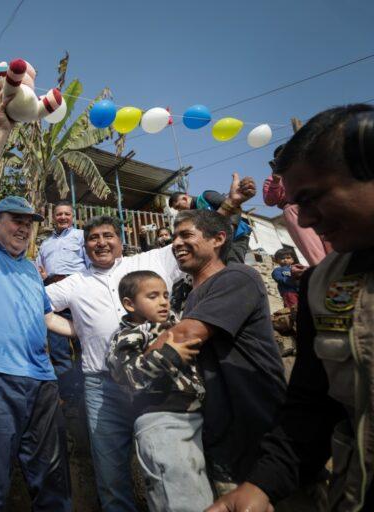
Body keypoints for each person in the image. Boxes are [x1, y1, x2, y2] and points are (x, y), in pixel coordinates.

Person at [207, 104, 374, 512]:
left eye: (314, 199)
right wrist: (261, 487)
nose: (308, 220)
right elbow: (312, 407)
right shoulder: (324, 282)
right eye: (296, 204)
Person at [0, 91, 72, 511]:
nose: (24, 228)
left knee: (54, 484)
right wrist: (4, 128)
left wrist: (91, 329)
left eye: (29, 223)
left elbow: (48, 319)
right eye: (15, 221)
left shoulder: (30, 269)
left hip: (40, 380)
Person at [45, 215, 185, 511]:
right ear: (85, 248)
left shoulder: (151, 261)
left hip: (156, 382)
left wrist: (230, 206)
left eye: (108, 235)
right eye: (93, 238)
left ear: (120, 240)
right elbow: (36, 307)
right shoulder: (73, 283)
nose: (101, 242)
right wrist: (75, 329)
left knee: (169, 465)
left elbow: (194, 244)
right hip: (101, 386)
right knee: (110, 476)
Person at [150, 209, 286, 494]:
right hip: (221, 438)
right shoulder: (188, 295)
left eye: (186, 235)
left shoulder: (238, 277)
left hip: (259, 435)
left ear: (219, 239)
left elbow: (187, 335)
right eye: (174, 237)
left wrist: (135, 362)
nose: (176, 243)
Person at [105, 270, 210, 512]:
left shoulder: (173, 324)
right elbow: (127, 376)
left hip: (194, 418)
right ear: (129, 304)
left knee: (200, 495)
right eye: (152, 296)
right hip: (162, 422)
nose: (163, 301)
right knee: (178, 500)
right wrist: (169, 355)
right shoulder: (127, 335)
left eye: (165, 295)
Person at [35, 200, 88, 403]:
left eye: (67, 214)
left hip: (77, 290)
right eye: (59, 214)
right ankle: (68, 395)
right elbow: (40, 270)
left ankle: (86, 390)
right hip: (53, 293)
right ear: (54, 217)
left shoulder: (81, 237)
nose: (63, 217)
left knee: (83, 342)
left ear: (72, 217)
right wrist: (43, 275)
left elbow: (90, 264)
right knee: (58, 348)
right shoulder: (45, 244)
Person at [263, 144, 331, 266]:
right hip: (294, 210)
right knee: (312, 247)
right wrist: (276, 182)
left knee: (332, 242)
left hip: (317, 204)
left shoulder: (309, 168)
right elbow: (270, 201)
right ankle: (324, 273)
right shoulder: (273, 179)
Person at [169, 174, 257, 263]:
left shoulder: (206, 196)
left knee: (233, 264)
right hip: (219, 242)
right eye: (177, 209)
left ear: (184, 199)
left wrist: (231, 229)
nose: (180, 210)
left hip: (237, 236)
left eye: (179, 206)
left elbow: (235, 207)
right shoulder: (193, 216)